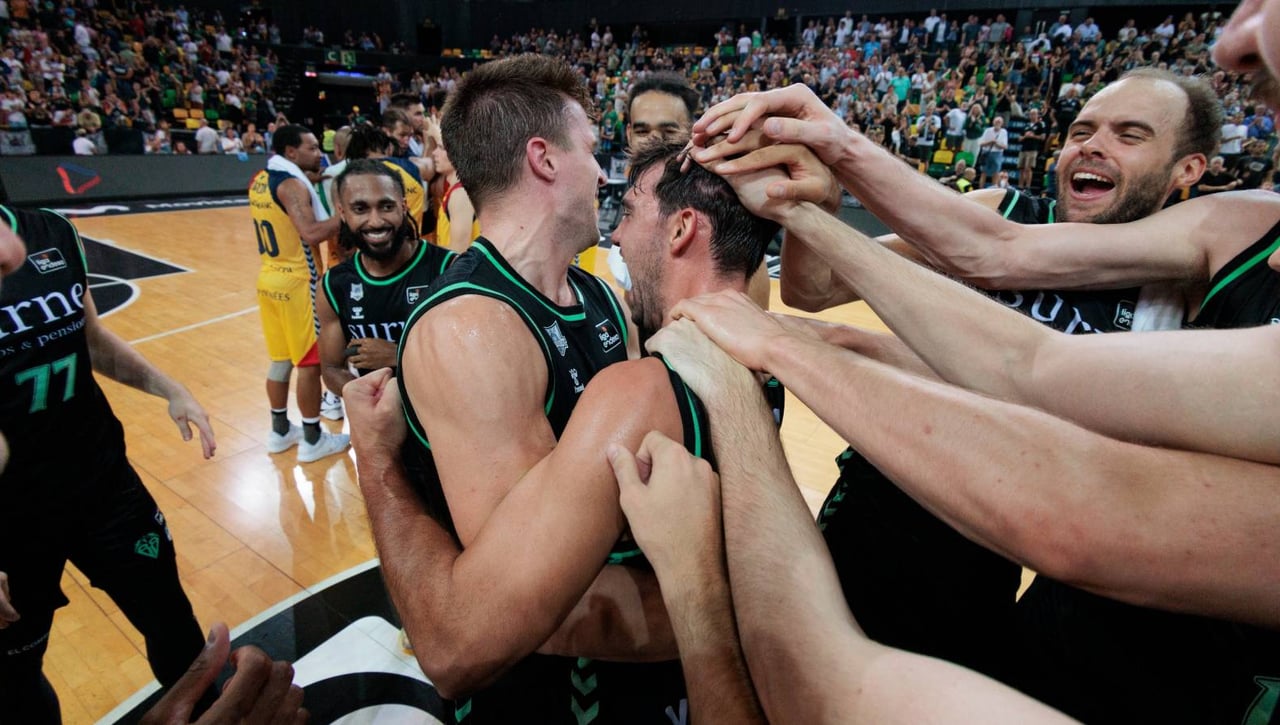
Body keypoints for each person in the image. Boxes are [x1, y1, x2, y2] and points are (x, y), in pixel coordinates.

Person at [670, 14, 1280, 716]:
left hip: (1045, 552)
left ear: (1188, 172)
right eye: (1082, 130)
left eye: (1129, 135)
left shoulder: (1185, 283)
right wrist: (816, 204)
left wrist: (840, 346)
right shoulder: (1007, 211)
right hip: (910, 498)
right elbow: (825, 289)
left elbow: (1075, 437)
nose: (1093, 146)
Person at [356, 66, 781, 720]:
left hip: (640, 681)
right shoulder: (470, 328)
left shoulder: (600, 297)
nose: (605, 172)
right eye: (591, 149)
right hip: (545, 699)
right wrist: (741, 616)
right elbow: (525, 607)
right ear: (543, 158)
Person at [0, 205, 217, 723]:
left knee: (174, 628)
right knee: (15, 678)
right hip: (12, 521)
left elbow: (91, 339)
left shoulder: (50, 230)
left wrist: (169, 387)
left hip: (102, 484)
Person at [248, 123, 349, 463]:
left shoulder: (261, 179)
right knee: (310, 363)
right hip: (298, 283)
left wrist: (315, 182)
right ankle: (312, 438)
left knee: (280, 360)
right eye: (310, 147)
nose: (317, 151)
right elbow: (311, 232)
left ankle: (279, 431)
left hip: (269, 278)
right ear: (291, 152)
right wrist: (346, 214)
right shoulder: (291, 184)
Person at [316, 159, 455, 396]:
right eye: (360, 209)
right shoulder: (333, 285)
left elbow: (473, 357)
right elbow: (331, 367)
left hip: (444, 417)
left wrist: (398, 354)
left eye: (386, 207)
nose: (376, 221)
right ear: (342, 212)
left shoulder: (448, 268)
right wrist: (365, 395)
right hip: (382, 421)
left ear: (404, 206)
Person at [429, 131, 480, 253]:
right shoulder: (456, 190)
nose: (434, 153)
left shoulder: (460, 194)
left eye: (441, 148)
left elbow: (458, 252)